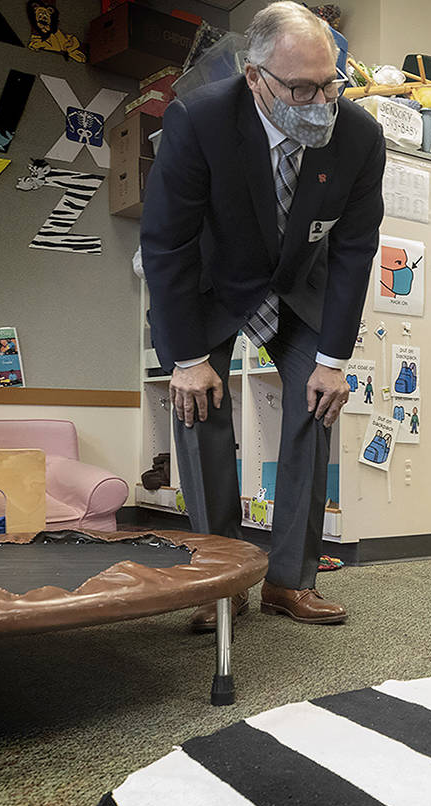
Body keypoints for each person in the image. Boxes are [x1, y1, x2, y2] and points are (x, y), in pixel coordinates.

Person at [141, 2, 384, 631]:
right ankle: (218, 582)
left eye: (330, 82)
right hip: (213, 287)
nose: (320, 100)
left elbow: (355, 249)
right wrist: (187, 360)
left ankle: (287, 580)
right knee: (199, 410)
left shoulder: (358, 135)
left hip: (298, 288)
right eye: (301, 88)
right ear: (256, 78)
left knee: (317, 403)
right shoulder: (198, 120)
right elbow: (166, 244)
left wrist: (333, 362)